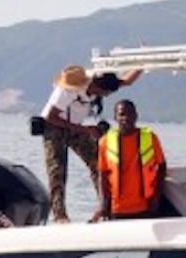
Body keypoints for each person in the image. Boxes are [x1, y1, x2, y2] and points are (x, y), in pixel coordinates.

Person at [40, 64, 143, 223]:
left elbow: (127, 81)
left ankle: (106, 207)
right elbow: (50, 117)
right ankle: (60, 215)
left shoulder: (104, 81)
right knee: (57, 170)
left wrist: (141, 64)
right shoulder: (69, 90)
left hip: (76, 127)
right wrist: (84, 129)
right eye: (104, 93)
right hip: (53, 127)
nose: (106, 96)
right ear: (94, 85)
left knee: (99, 164)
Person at [96, 99, 167, 221]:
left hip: (145, 207)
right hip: (117, 208)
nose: (126, 118)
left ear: (136, 115)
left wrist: (156, 198)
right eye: (122, 114)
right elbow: (102, 175)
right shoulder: (105, 141)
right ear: (115, 117)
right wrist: (103, 205)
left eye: (130, 113)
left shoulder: (150, 138)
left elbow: (162, 168)